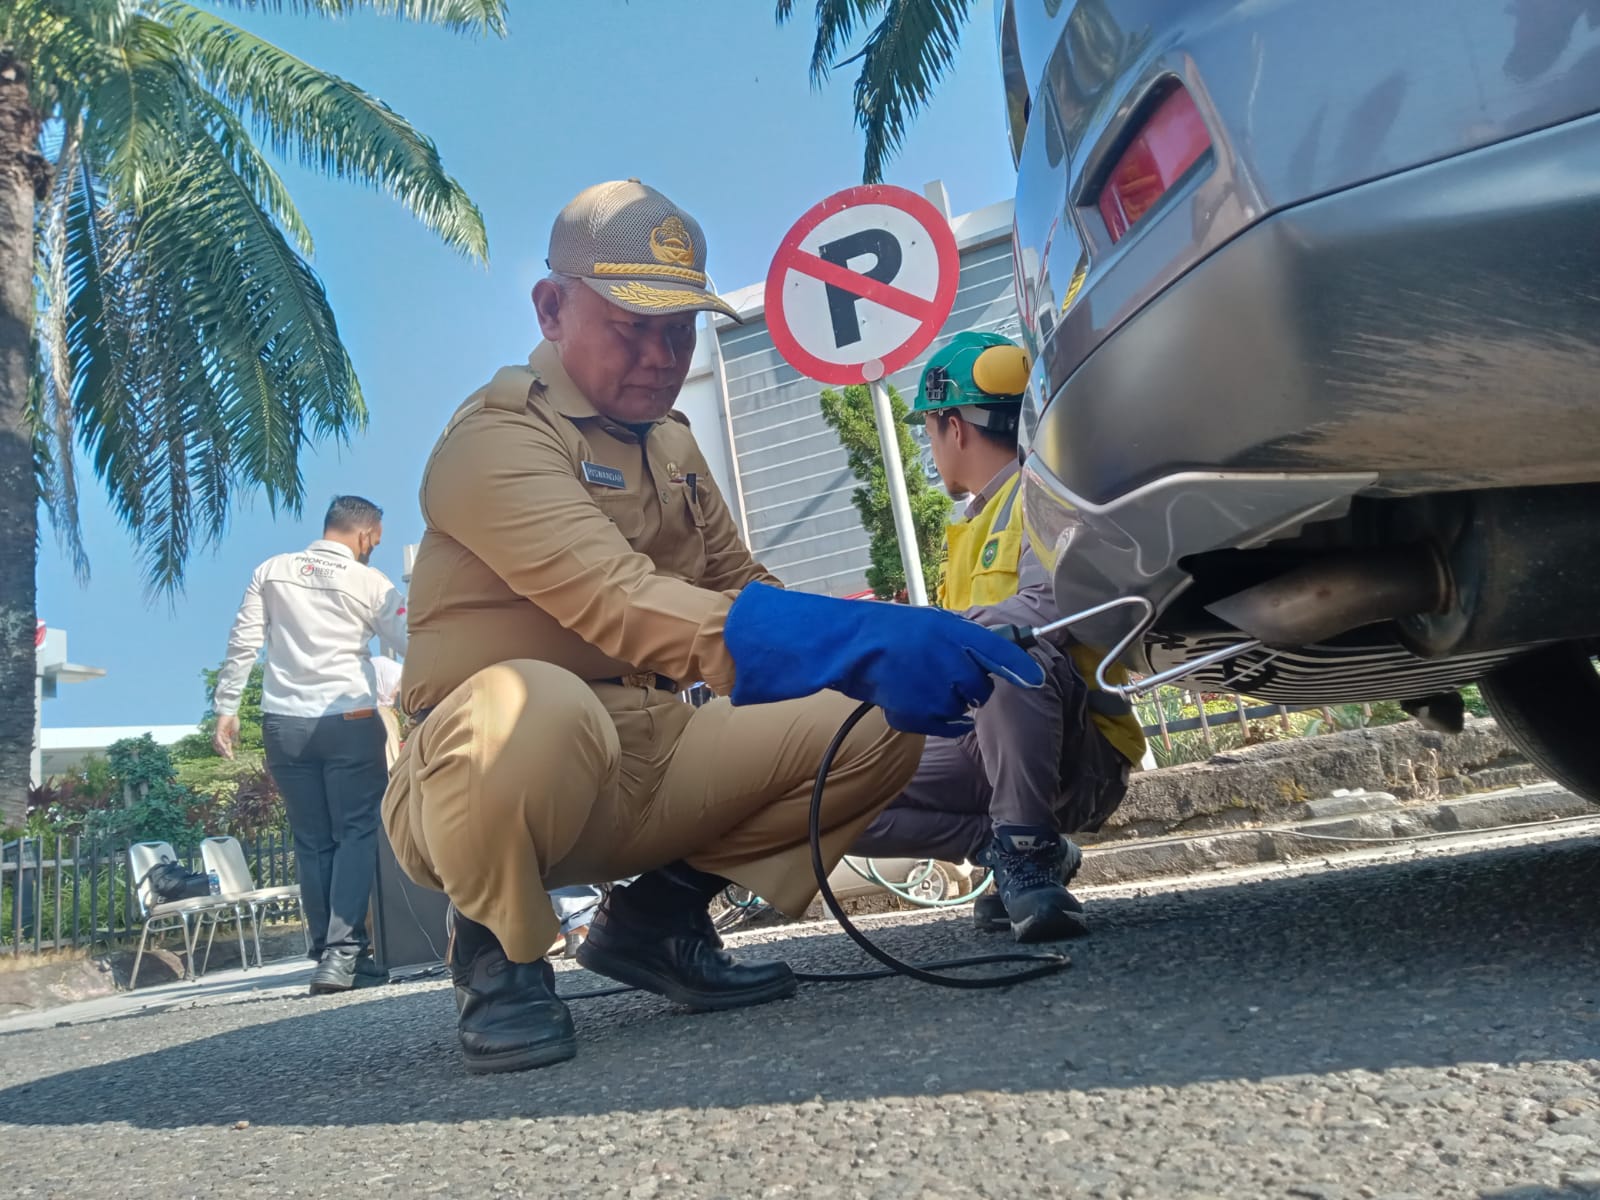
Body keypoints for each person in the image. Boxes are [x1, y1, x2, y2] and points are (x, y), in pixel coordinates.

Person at [382, 179, 1042, 1074]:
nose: (661, 355)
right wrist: (840, 643)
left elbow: (742, 584)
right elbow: (612, 596)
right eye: (632, 325)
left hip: (655, 749)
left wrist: (875, 632)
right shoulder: (495, 441)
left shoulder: (673, 445)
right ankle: (498, 954)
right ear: (550, 308)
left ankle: (656, 923)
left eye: (678, 328)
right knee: (533, 702)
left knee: (871, 714)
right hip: (499, 773)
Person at [851, 332, 1148, 942]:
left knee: (1002, 651)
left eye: (930, 431)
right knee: (829, 792)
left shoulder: (1045, 493)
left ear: (953, 427)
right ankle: (1008, 850)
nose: (932, 447)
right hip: (987, 741)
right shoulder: (975, 522)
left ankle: (1024, 842)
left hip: (1080, 746)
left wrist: (938, 634)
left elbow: (1053, 609)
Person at [214, 496, 408, 994]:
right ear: (365, 536)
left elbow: (243, 642)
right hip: (349, 716)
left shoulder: (271, 571)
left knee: (312, 840)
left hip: (284, 723)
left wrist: (227, 707)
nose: (374, 551)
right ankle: (344, 954)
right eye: (376, 543)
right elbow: (411, 639)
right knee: (356, 833)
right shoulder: (370, 582)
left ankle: (329, 951)